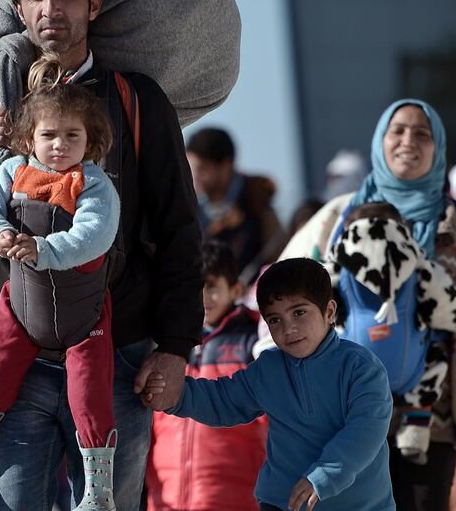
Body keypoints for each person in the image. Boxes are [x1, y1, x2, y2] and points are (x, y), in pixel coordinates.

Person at [0, 0, 203, 509]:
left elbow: (178, 230)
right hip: (15, 356)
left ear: (94, 4)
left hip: (116, 351)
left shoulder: (137, 101)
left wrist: (174, 346)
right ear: (20, 9)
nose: (52, 8)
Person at [280, 99, 456, 510]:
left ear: (437, 146)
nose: (408, 141)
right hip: (339, 418)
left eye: (422, 133)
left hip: (429, 424)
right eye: (397, 131)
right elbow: (283, 292)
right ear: (379, 141)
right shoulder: (336, 219)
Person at [0, 54, 121, 509]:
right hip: (20, 309)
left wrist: (43, 250)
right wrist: (0, 235)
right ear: (29, 138)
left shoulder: (94, 184)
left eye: (71, 136)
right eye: (49, 135)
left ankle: (98, 491)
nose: (59, 145)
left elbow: (95, 235)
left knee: (89, 397)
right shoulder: (11, 171)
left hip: (83, 319)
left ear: (90, 140)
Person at [143, 258, 393, 511]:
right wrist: (174, 394)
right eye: (275, 320)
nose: (289, 328)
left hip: (361, 505)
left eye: (299, 312)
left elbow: (366, 430)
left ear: (329, 312)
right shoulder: (268, 369)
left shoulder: (361, 367)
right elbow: (222, 400)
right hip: (283, 503)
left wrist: (324, 475)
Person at [328, 201, 456, 465]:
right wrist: (451, 320)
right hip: (411, 367)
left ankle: (353, 433)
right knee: (435, 354)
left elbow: (315, 292)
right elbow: (447, 308)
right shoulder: (416, 261)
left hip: (355, 372)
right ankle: (416, 424)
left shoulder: (341, 261)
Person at [145, 240, 266, 511]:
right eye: (194, 286)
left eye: (211, 286)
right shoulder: (162, 342)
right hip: (166, 497)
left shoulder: (255, 340)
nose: (202, 296)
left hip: (237, 497)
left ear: (235, 289)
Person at [185, 127, 283, 284]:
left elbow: (279, 258)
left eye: (202, 169)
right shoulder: (189, 207)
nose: (195, 177)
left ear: (225, 165)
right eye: (190, 169)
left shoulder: (256, 203)